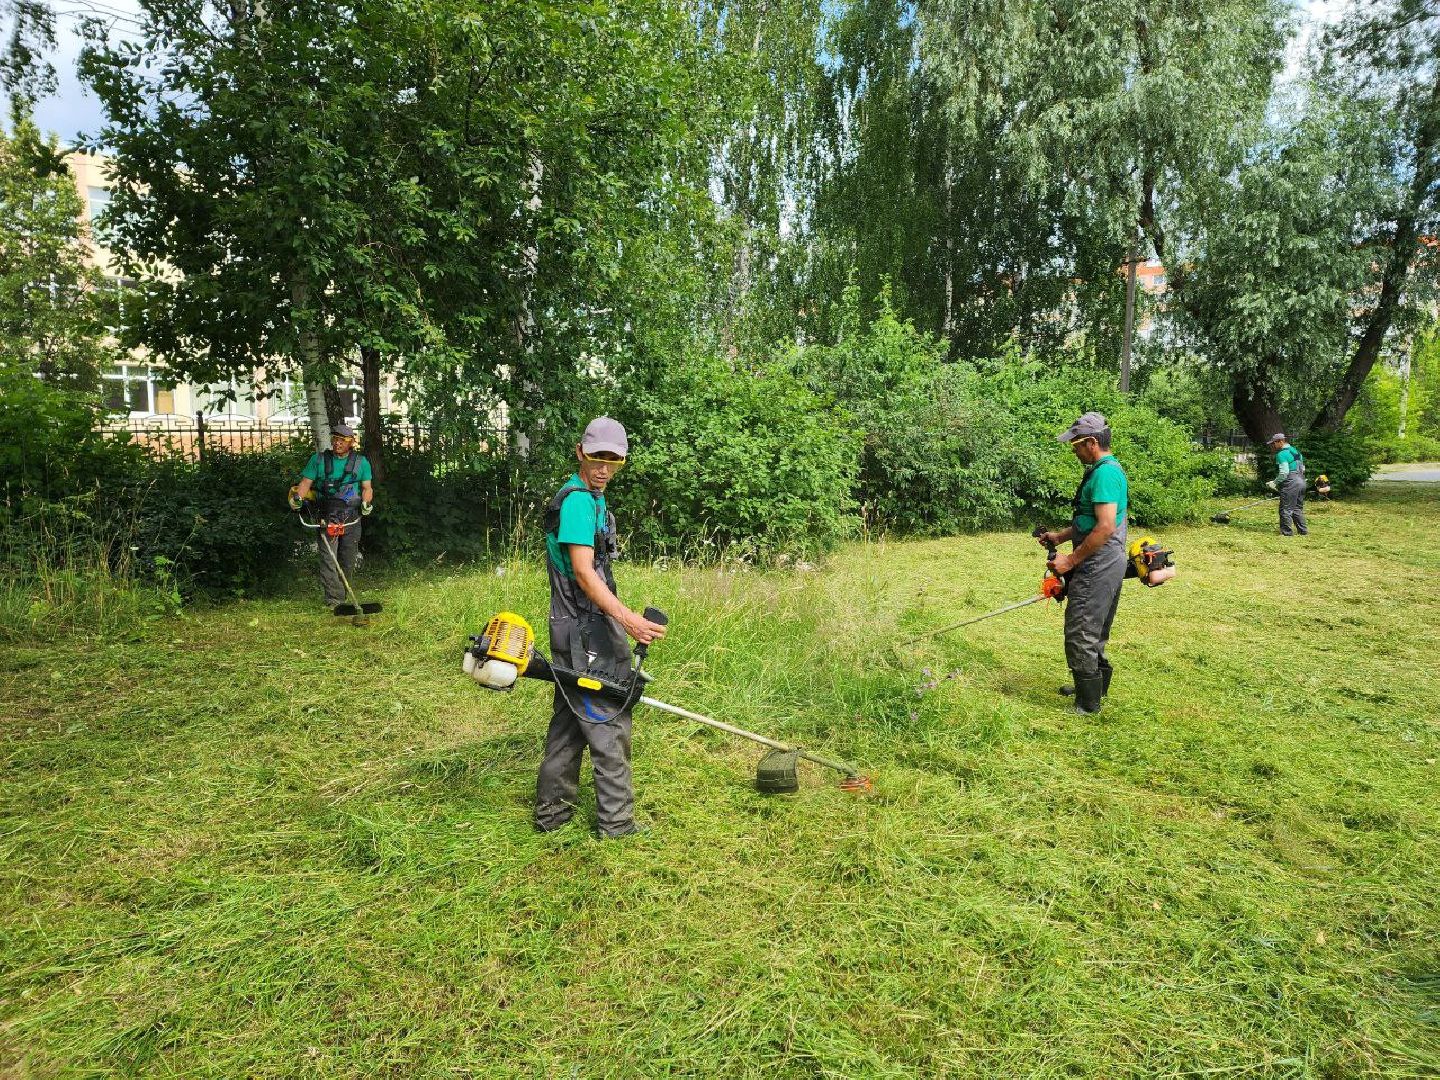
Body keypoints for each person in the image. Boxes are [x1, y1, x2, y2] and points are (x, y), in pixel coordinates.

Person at [534, 417, 667, 838]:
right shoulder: (576, 502)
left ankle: (552, 815)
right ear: (581, 453)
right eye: (597, 458)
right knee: (608, 715)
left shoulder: (594, 501)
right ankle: (616, 823)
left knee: (571, 719)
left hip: (580, 625)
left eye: (614, 460)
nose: (604, 468)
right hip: (584, 631)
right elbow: (584, 574)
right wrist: (628, 620)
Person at [1036, 411, 1129, 716]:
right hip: (1103, 559)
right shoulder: (1103, 470)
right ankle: (1092, 687)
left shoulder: (1106, 473)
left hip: (1098, 563)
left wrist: (1070, 561)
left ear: (1091, 443)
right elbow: (1093, 520)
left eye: (1075, 445)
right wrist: (1061, 537)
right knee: (1095, 627)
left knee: (1082, 629)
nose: (1073, 450)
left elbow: (1104, 527)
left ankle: (1088, 705)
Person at [290, 423, 374, 609]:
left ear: (351, 442)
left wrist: (367, 504)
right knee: (329, 558)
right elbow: (305, 483)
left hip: (352, 517)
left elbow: (367, 488)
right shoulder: (318, 460)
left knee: (347, 559)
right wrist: (297, 499)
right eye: (335, 439)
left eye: (342, 440)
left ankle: (343, 595)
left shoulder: (361, 462)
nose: (337, 443)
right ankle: (335, 601)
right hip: (326, 516)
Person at [1265, 433, 1308, 536]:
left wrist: (1274, 483)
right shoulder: (1296, 452)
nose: (1273, 445)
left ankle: (1286, 533)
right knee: (1297, 508)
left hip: (1291, 482)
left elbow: (1284, 473)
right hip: (1302, 481)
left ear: (1280, 441)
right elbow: (1303, 468)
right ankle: (1303, 531)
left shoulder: (1281, 454)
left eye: (1274, 443)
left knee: (1286, 508)